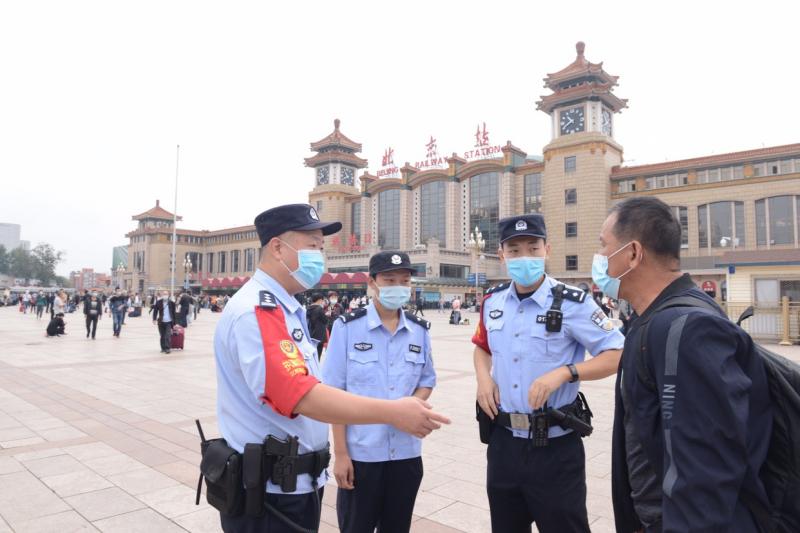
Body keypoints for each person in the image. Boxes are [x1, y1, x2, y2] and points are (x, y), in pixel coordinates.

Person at [212, 203, 449, 533]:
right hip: (269, 495)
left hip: (293, 484)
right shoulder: (258, 311)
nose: (319, 257)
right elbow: (300, 395)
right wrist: (393, 412)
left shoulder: (286, 308)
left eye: (321, 248)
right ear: (278, 248)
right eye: (312, 245)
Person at [597, 197, 772, 533]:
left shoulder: (686, 328)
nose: (600, 259)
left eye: (604, 246)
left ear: (632, 254)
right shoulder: (656, 319)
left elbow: (705, 474)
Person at [472, 214, 624, 533]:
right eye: (514, 250)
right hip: (503, 444)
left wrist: (566, 372)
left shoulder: (576, 303)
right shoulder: (492, 301)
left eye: (532, 248)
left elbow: (617, 353)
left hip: (554, 447)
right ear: (501, 255)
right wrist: (483, 378)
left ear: (547, 250)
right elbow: (482, 346)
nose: (524, 257)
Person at [323, 251, 436, 533]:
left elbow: (427, 379)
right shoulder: (347, 328)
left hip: (406, 455)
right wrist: (341, 453)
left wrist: (409, 407)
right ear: (372, 283)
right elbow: (333, 394)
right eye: (389, 279)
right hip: (362, 456)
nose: (398, 286)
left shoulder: (419, 331)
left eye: (405, 280)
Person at [306, 292, 328, 360]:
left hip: (310, 333)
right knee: (318, 354)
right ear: (319, 300)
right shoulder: (319, 309)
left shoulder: (308, 308)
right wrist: (327, 315)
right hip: (319, 335)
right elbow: (325, 320)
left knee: (311, 354)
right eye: (322, 300)